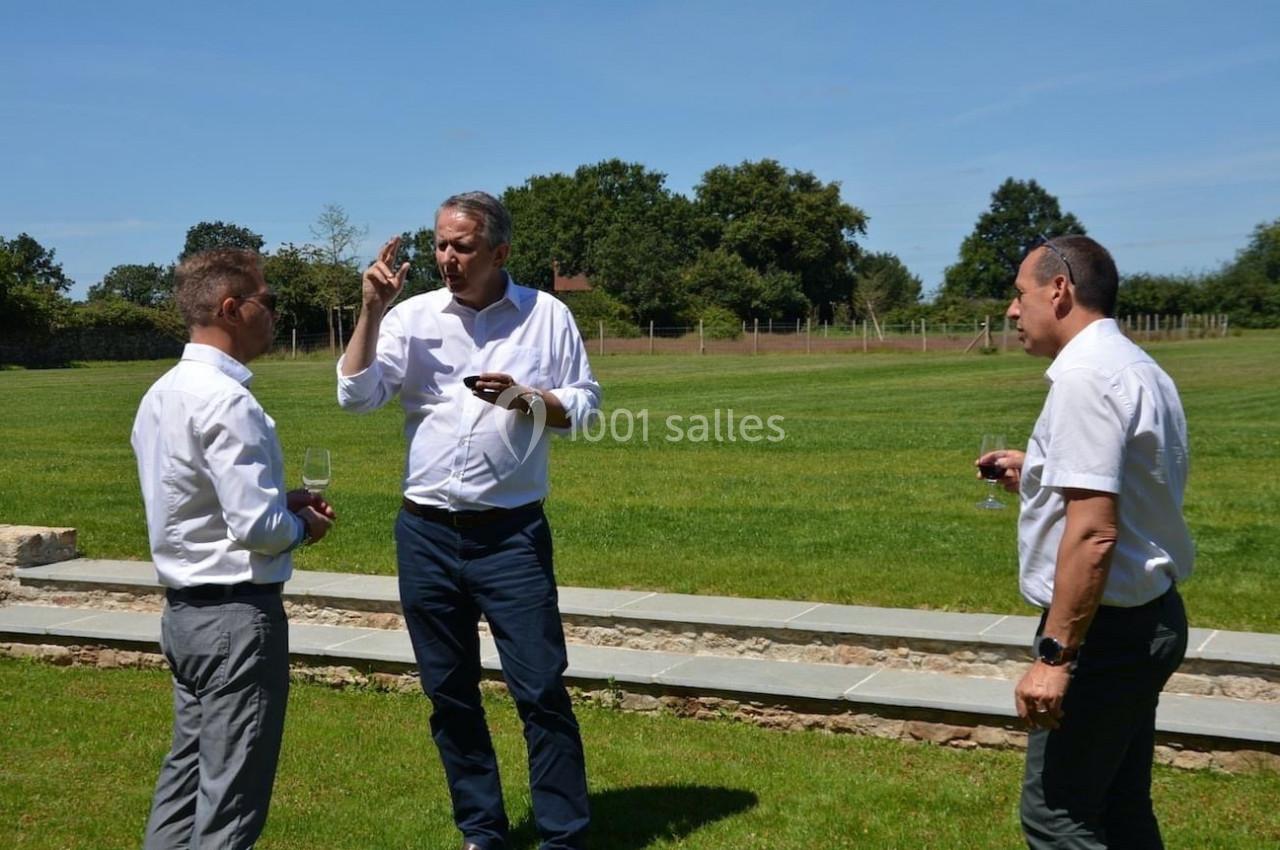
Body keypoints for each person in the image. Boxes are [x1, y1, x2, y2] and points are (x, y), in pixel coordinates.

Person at [337, 191, 600, 850]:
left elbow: (586, 410)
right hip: (424, 533)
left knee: (539, 689)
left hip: (509, 535)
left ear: (500, 252)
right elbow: (356, 396)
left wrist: (525, 399)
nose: (446, 258)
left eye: (462, 246)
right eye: (440, 245)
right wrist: (371, 312)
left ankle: (563, 836)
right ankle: (482, 831)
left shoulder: (547, 316)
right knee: (449, 694)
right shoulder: (413, 317)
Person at [978, 235, 1194, 849]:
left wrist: (1056, 657)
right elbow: (1128, 487)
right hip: (1147, 615)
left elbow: (1095, 532)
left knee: (1059, 817)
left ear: (1060, 288)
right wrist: (1040, 471)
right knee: (1121, 808)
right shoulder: (1134, 365)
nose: (1013, 312)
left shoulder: (1084, 380)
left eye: (1020, 296)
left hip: (1104, 632)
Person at [132, 249, 335, 850]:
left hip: (184, 614)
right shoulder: (229, 401)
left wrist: (280, 501)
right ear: (231, 309)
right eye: (267, 302)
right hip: (237, 618)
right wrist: (303, 528)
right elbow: (257, 528)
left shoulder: (160, 394)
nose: (274, 313)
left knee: (186, 779)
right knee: (232, 801)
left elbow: (195, 501)